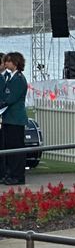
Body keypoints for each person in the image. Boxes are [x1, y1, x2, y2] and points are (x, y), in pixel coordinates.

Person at [0, 52, 28, 185]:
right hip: (9, 118)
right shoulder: (10, 77)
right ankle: (10, 173)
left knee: (17, 148)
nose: (6, 64)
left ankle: (17, 175)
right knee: (9, 147)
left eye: (9, 61)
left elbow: (10, 98)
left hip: (16, 119)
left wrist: (2, 103)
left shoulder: (19, 79)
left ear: (15, 63)